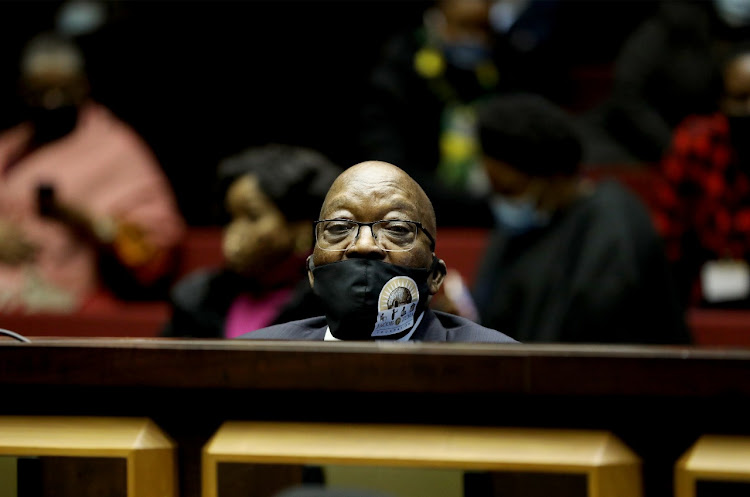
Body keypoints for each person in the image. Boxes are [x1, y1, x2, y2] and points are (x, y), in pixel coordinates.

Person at [470, 92, 690, 344]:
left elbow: (594, 330)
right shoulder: (526, 224)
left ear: (551, 175)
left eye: (508, 189)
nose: (500, 201)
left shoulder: (613, 225)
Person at [0, 31, 185, 312]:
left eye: (62, 91)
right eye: (39, 93)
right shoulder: (9, 146)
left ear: (83, 86)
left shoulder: (116, 149)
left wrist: (84, 218)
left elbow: (154, 243)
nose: (51, 102)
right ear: (22, 91)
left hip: (68, 299)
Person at [238, 160, 517, 343]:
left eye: (396, 228)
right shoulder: (252, 359)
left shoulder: (497, 362)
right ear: (312, 273)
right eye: (339, 227)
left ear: (435, 275)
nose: (364, 245)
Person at [161, 144, 342, 338]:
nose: (234, 232)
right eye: (230, 218)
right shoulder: (198, 298)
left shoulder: (332, 302)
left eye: (252, 217)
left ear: (301, 228)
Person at [652, 42, 750, 309]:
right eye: (741, 98)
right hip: (702, 281)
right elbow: (668, 232)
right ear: (722, 99)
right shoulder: (694, 143)